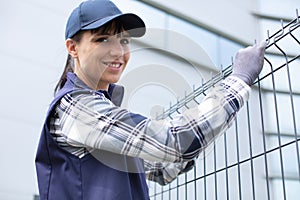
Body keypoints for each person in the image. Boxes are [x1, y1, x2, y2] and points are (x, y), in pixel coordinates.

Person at [35, 0, 266, 199]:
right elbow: (175, 141)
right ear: (73, 48)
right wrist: (238, 82)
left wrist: (209, 124)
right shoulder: (77, 108)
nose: (118, 52)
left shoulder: (101, 110)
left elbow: (162, 168)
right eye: (103, 40)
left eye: (124, 41)